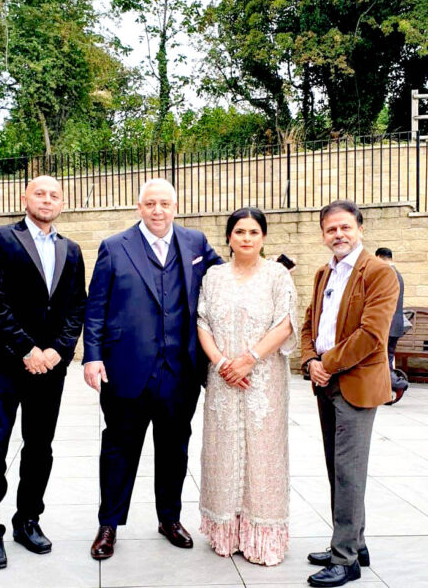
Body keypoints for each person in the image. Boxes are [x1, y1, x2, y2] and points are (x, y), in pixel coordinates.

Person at [83, 177, 222, 560]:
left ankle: (169, 518)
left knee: (174, 449)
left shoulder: (195, 243)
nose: (157, 210)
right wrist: (92, 356)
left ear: (176, 206)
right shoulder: (114, 247)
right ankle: (109, 525)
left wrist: (267, 270)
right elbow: (96, 306)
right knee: (119, 449)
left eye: (164, 203)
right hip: (125, 368)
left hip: (180, 371)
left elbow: (226, 278)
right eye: (150, 204)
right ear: (139, 207)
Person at [0, 176, 86, 570]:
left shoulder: (71, 250)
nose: (47, 200)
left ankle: (27, 520)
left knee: (40, 447)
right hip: (7, 364)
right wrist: (27, 348)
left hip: (49, 369)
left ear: (62, 203)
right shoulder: (1, 238)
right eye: (40, 193)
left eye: (54, 195)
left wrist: (58, 351)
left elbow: (77, 306)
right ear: (25, 197)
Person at [301, 200, 399, 588]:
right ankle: (354, 544)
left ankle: (346, 561)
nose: (338, 234)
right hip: (326, 383)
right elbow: (310, 323)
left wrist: (327, 363)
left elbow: (372, 334)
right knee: (339, 469)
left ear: (360, 228)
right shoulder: (324, 273)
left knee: (349, 472)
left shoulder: (378, 272)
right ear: (323, 235)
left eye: (345, 227)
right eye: (331, 229)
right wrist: (310, 361)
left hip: (355, 383)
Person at [197, 207, 297, 566]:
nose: (246, 238)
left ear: (263, 237)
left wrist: (249, 359)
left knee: (264, 455)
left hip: (263, 382)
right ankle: (226, 532)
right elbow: (203, 322)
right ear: (229, 237)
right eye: (239, 231)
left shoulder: (277, 275)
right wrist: (223, 364)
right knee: (222, 452)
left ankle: (262, 537)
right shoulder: (213, 276)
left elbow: (285, 324)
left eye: (254, 232)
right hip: (223, 380)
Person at [375, 247, 409, 393]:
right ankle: (387, 388)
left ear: (378, 257)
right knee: (387, 357)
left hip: (387, 324)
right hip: (395, 325)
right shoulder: (397, 274)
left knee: (380, 358)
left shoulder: (387, 273)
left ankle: (396, 384)